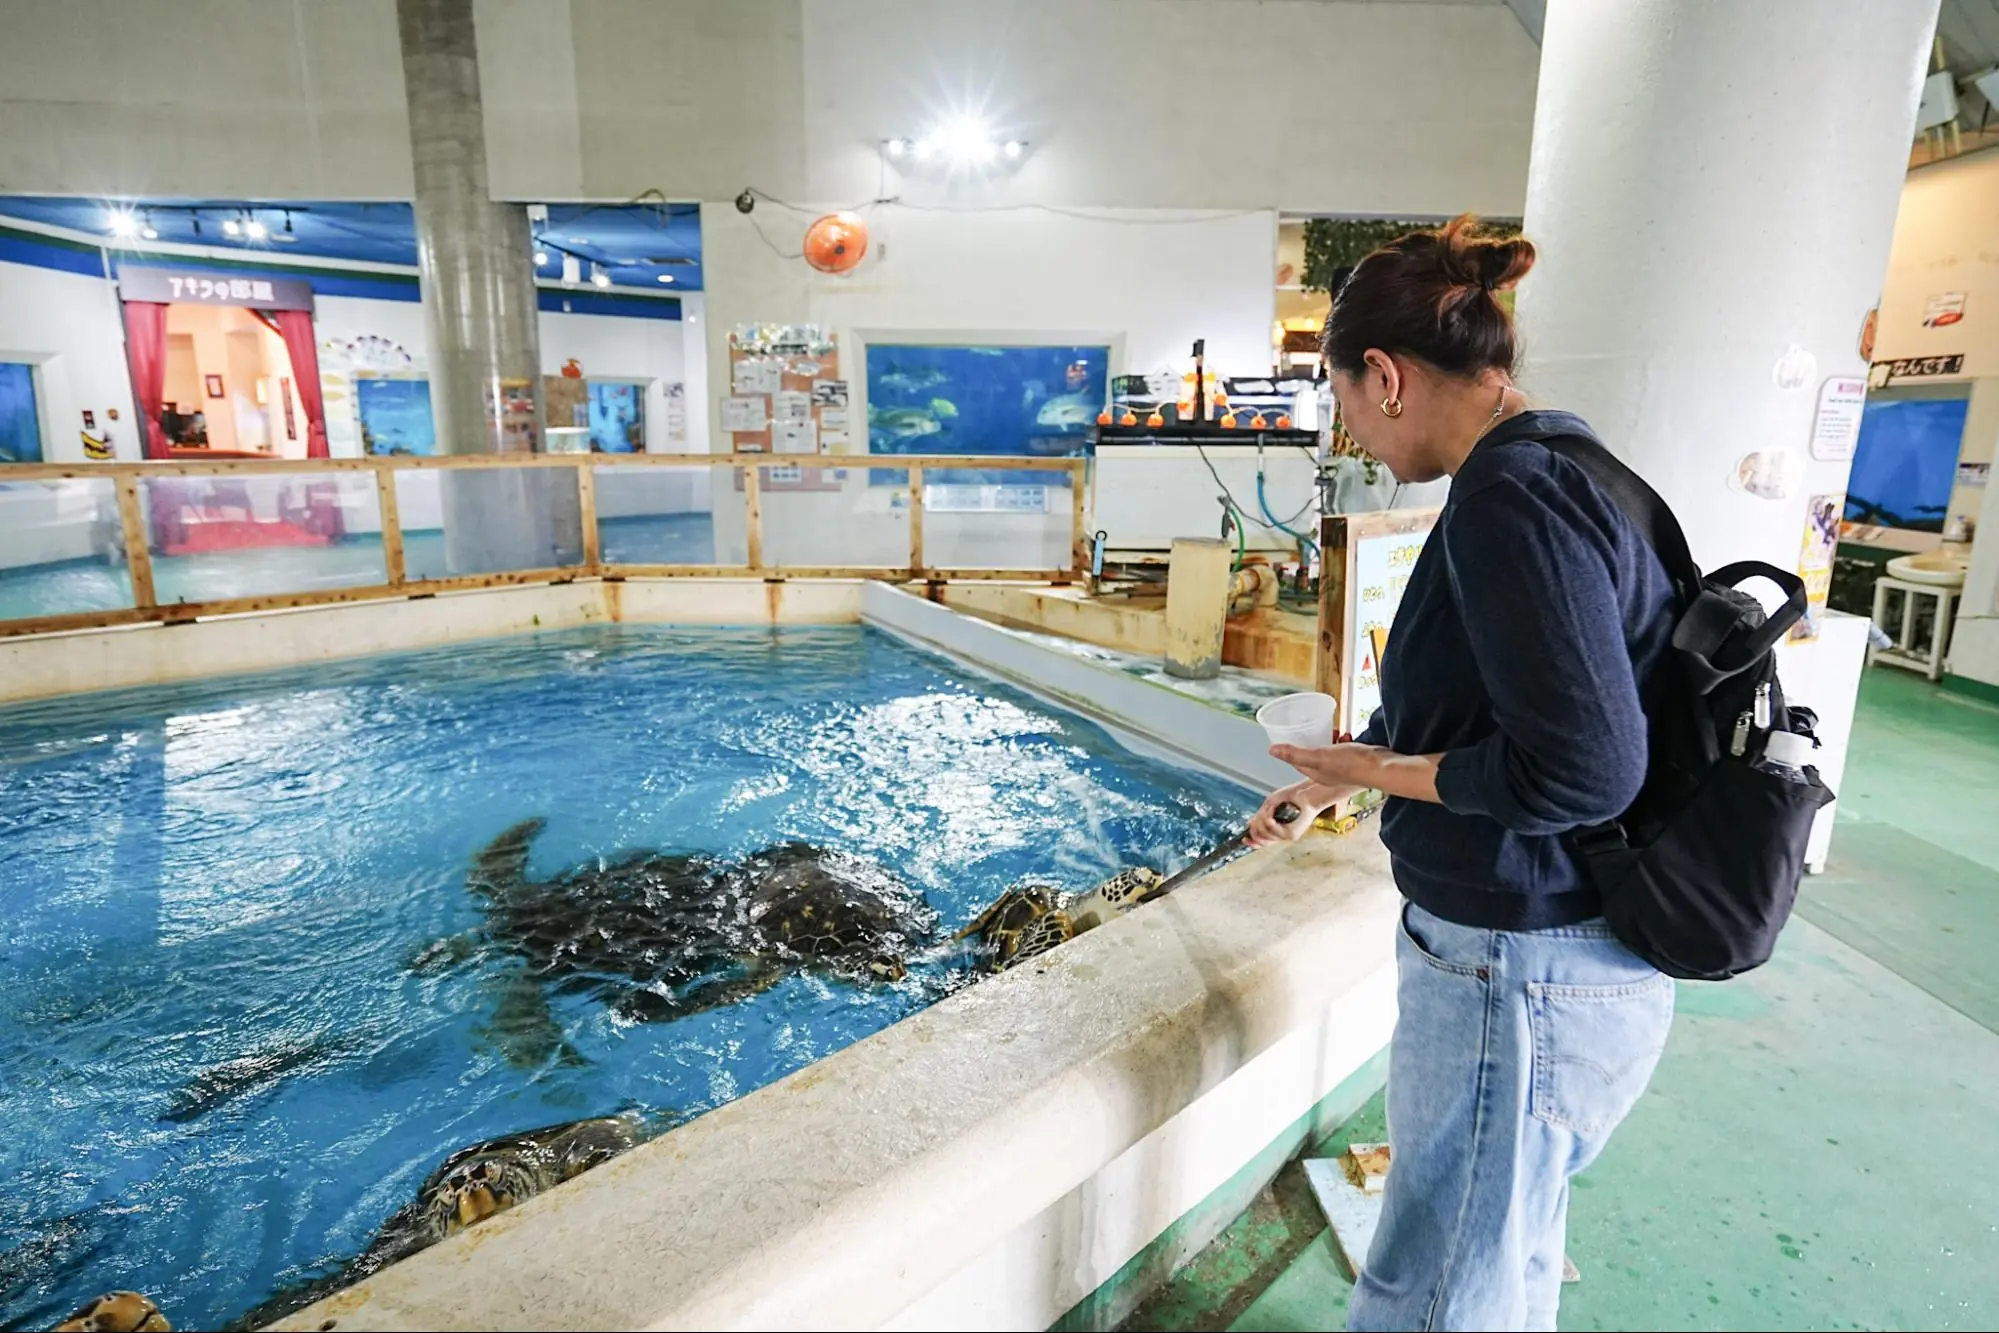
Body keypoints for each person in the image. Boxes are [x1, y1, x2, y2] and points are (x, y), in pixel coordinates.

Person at [1246, 217, 1679, 1332]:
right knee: (1498, 1259)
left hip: (1519, 962)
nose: (1354, 434)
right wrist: (1343, 778)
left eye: (1343, 402)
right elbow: (1507, 708)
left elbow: (1583, 769)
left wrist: (1381, 765)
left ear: (1382, 375)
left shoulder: (1508, 498)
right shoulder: (1574, 466)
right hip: (1556, 958)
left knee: (1435, 1284)